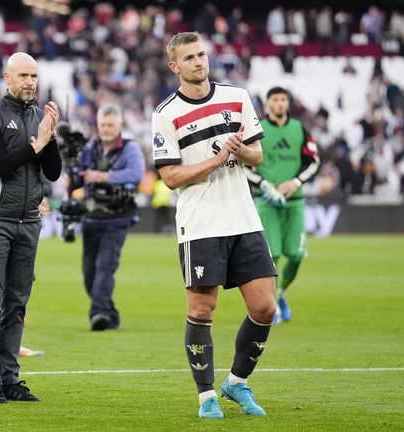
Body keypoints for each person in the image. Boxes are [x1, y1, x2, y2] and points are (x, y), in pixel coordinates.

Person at [151, 32, 277, 419]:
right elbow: (170, 177)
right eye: (189, 58)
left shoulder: (236, 97)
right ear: (175, 66)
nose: (198, 62)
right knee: (202, 310)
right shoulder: (165, 113)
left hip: (242, 217)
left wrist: (241, 152)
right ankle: (206, 395)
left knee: (265, 307)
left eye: (202, 54)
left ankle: (237, 382)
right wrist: (218, 158)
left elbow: (258, 153)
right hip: (201, 222)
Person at [0, 52, 61, 403]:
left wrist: (50, 137)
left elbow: (52, 172)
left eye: (34, 76)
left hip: (28, 221)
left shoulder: (40, 117)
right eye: (22, 75)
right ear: (7, 78)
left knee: (17, 304)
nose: (29, 82)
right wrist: (37, 143)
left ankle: (10, 379)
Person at [246, 87, 320, 324]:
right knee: (273, 255)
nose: (279, 104)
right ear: (267, 104)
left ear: (287, 104)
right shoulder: (256, 129)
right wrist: (264, 184)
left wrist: (295, 181)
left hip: (295, 201)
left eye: (283, 100)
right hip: (266, 201)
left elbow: (314, 161)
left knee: (297, 255)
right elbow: (243, 165)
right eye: (275, 100)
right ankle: (272, 306)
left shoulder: (299, 129)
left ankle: (280, 293)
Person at [67, 104, 145, 331]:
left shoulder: (130, 149)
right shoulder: (90, 148)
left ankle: (99, 313)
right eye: (102, 125)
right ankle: (110, 315)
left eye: (111, 124)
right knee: (89, 272)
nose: (106, 129)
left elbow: (136, 173)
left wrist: (101, 176)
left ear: (120, 125)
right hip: (92, 216)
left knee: (104, 267)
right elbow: (78, 178)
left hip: (118, 217)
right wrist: (71, 167)